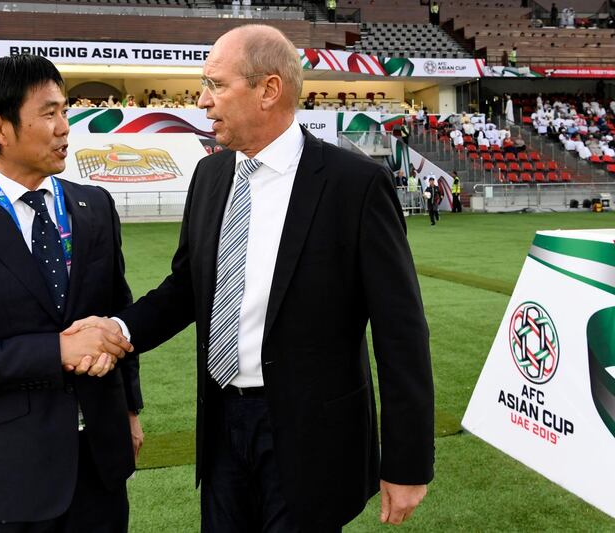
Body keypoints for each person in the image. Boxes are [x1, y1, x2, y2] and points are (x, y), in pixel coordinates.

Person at [67, 25, 434, 532]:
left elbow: (402, 334)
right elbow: (186, 291)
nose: (202, 100)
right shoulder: (211, 176)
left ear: (268, 90)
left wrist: (407, 462)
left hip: (311, 437)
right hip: (221, 427)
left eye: (216, 84)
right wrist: (119, 331)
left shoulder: (355, 186)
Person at [0, 54, 142, 532]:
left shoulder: (94, 205)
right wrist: (55, 350)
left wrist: (130, 410)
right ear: (0, 127)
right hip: (5, 476)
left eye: (65, 112)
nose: (65, 128)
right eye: (50, 113)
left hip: (100, 464)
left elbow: (118, 313)